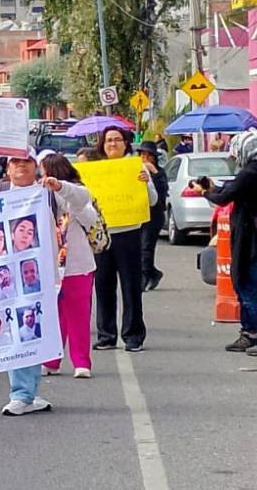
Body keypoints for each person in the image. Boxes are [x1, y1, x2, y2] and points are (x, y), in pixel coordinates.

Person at [0, 146, 63, 416]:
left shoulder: (48, 192)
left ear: (37, 166)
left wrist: (61, 188)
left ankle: (29, 393)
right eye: (15, 162)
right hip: (5, 278)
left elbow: (82, 201)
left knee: (31, 332)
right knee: (15, 331)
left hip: (39, 276)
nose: (21, 166)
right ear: (7, 168)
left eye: (27, 161)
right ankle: (21, 394)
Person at [198, 128, 257, 358]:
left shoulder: (251, 173)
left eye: (236, 151)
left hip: (249, 238)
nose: (234, 156)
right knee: (245, 285)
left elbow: (225, 197)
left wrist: (205, 192)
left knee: (246, 287)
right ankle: (250, 333)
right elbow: (234, 189)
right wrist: (214, 187)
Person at [90, 127, 157, 353]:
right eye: (108, 140)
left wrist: (146, 181)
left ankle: (133, 336)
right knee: (103, 285)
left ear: (125, 144)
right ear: (103, 145)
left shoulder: (135, 166)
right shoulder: (95, 170)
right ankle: (106, 335)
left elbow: (153, 201)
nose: (113, 144)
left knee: (131, 286)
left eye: (117, 140)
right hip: (102, 235)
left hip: (129, 233)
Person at [37, 152, 100, 379]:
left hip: (77, 265)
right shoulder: (38, 196)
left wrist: (60, 189)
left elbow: (90, 216)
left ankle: (81, 361)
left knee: (79, 315)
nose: (40, 178)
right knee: (54, 315)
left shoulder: (74, 193)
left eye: (42, 173)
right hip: (50, 266)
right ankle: (52, 360)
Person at [138, 141, 168, 291]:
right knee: (138, 248)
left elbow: (162, 192)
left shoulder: (159, 172)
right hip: (139, 214)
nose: (145, 158)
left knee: (146, 247)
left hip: (155, 215)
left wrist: (154, 174)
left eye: (148, 155)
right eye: (142, 155)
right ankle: (153, 273)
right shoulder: (136, 171)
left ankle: (146, 276)